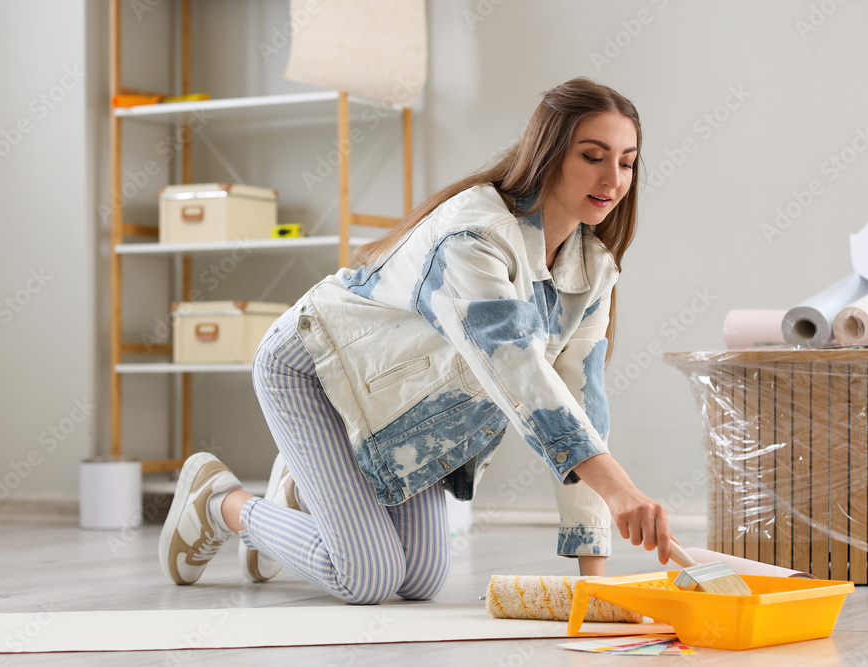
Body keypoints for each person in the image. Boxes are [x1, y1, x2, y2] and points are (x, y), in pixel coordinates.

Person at [159, 76, 672, 605]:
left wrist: (597, 587)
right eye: (593, 156)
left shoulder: (593, 271)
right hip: (313, 368)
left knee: (420, 579)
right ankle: (219, 501)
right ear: (549, 154)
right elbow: (522, 376)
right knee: (367, 578)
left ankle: (302, 492)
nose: (613, 178)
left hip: (403, 407)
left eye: (628, 162)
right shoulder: (472, 239)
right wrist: (621, 490)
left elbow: (581, 405)